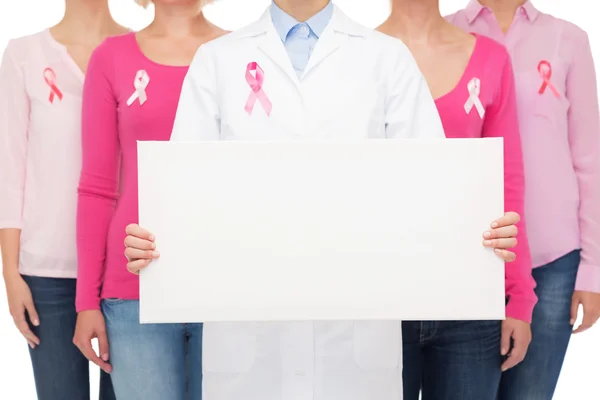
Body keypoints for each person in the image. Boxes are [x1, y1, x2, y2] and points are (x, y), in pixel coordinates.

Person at [123, 0, 523, 399]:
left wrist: (481, 235)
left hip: (356, 357)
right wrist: (155, 245)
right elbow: (184, 200)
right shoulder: (217, 61)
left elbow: (435, 194)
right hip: (250, 355)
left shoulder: (387, 59)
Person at [377, 1, 536, 399]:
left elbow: (508, 181)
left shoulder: (490, 58)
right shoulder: (354, 56)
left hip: (471, 298)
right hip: (379, 298)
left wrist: (518, 295)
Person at [71, 0, 226, 399]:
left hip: (223, 284)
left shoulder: (239, 53)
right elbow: (97, 186)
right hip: (134, 289)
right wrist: (87, 300)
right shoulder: (111, 58)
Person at [448, 1, 600, 399]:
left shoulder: (569, 39)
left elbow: (588, 159)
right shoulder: (445, 34)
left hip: (551, 261)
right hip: (470, 254)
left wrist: (592, 270)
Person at [0, 1, 128, 399]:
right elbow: (10, 171)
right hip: (47, 275)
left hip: (127, 267)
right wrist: (11, 274)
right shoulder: (24, 55)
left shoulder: (137, 50)